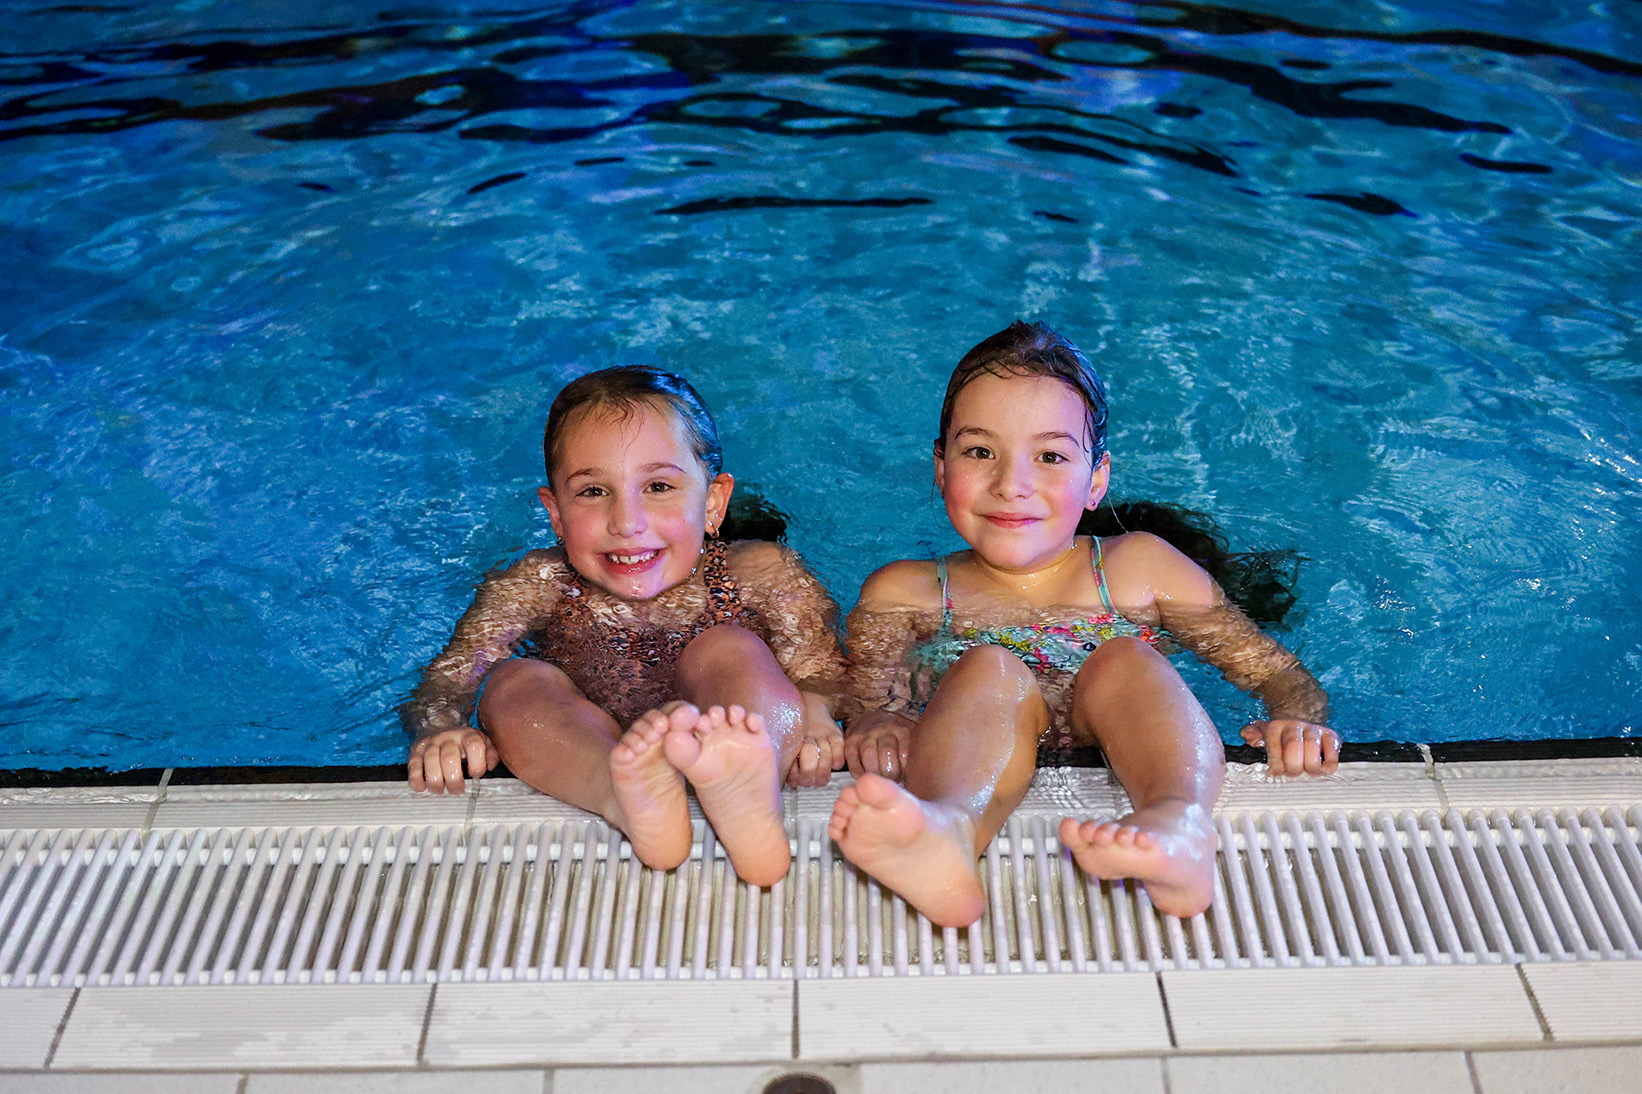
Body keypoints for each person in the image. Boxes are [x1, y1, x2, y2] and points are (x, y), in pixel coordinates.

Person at [830, 321, 1340, 925]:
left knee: (1123, 657)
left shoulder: (1140, 571)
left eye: (1049, 456)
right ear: (940, 468)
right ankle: (949, 834)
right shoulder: (905, 593)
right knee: (989, 666)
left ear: (1096, 478)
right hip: (979, 745)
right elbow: (863, 700)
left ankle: (1178, 824)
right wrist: (878, 720)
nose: (1011, 484)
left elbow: (1277, 673)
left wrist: (1297, 720)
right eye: (979, 451)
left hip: (1124, 730)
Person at [404, 366, 845, 887]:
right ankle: (620, 791)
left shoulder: (758, 571)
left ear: (713, 502)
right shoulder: (538, 581)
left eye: (658, 486)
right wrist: (438, 729)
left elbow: (821, 669)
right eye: (593, 492)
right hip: (589, 739)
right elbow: (448, 680)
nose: (627, 522)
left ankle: (753, 781)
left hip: (726, 725)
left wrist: (817, 715)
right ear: (556, 513)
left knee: (732, 646)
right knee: (513, 681)